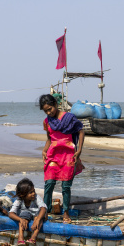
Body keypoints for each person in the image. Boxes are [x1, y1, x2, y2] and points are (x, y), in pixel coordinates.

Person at [39, 94, 85, 224]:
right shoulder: (47, 121)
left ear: (55, 104)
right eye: (46, 111)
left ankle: (66, 212)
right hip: (53, 154)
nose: (49, 112)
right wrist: (44, 150)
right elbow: (49, 138)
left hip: (68, 155)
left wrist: (79, 149)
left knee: (66, 186)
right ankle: (46, 211)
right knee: (49, 184)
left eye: (50, 109)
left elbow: (81, 131)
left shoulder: (69, 118)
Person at [8, 178, 47, 245]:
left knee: (39, 216)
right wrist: (20, 219)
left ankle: (33, 238)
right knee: (23, 216)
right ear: (23, 195)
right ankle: (20, 237)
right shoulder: (19, 200)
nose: (33, 194)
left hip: (37, 215)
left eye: (34, 191)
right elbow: (11, 214)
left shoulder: (36, 197)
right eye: (31, 192)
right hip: (26, 216)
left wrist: (37, 220)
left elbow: (43, 208)